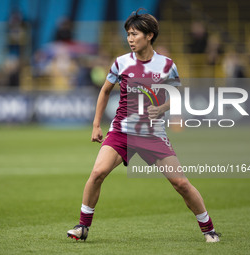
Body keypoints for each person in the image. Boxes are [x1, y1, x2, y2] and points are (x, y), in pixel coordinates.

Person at [67, 9, 221, 243]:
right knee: (98, 173)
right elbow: (105, 91)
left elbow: (176, 95)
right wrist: (96, 124)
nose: (130, 39)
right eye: (128, 34)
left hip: (152, 134)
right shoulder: (121, 63)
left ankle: (209, 230)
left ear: (149, 36)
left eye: (135, 34)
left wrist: (162, 109)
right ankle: (82, 227)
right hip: (122, 131)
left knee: (180, 183)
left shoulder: (167, 65)